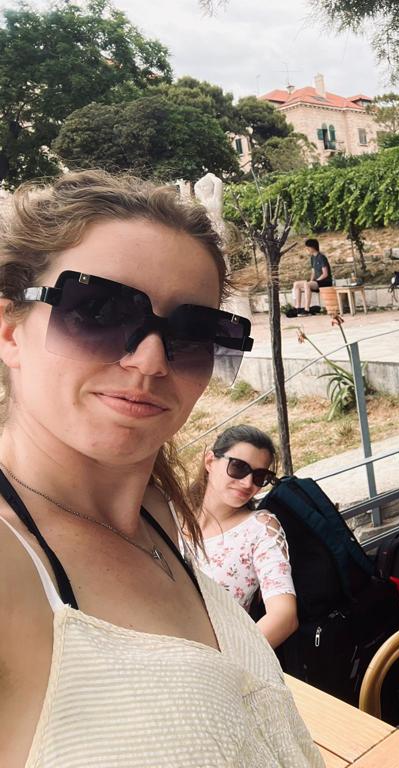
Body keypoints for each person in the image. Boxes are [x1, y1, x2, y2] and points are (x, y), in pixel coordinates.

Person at [0, 171, 320, 766]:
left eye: (192, 333)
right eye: (99, 311)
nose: (151, 360)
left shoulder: (160, 514)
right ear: (9, 331)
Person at [189, 425, 297, 649]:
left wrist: (230, 659)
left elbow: (284, 616)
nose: (248, 483)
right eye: (238, 467)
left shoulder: (260, 529)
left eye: (259, 476)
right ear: (210, 461)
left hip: (217, 655)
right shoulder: (169, 511)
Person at [292, 237, 332, 315]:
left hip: (325, 282)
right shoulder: (312, 258)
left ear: (313, 247)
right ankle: (298, 308)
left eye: (308, 247)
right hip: (316, 282)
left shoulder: (321, 257)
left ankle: (307, 309)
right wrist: (311, 281)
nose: (307, 249)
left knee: (306, 284)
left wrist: (314, 281)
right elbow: (313, 272)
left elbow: (325, 274)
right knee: (296, 284)